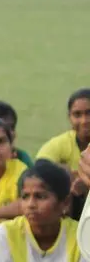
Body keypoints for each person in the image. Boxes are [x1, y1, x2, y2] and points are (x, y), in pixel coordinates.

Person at [38, 88, 90, 219]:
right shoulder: (62, 142)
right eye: (77, 115)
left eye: (89, 113)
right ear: (69, 118)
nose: (84, 121)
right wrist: (68, 178)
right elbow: (40, 169)